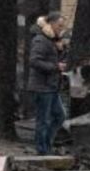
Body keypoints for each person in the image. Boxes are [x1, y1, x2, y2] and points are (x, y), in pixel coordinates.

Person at [28, 12, 67, 156]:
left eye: (62, 26)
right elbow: (34, 61)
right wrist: (56, 67)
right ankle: (42, 150)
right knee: (43, 119)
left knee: (60, 116)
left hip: (51, 86)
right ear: (50, 24)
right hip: (41, 86)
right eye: (59, 25)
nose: (61, 28)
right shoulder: (40, 39)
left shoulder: (52, 40)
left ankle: (47, 145)